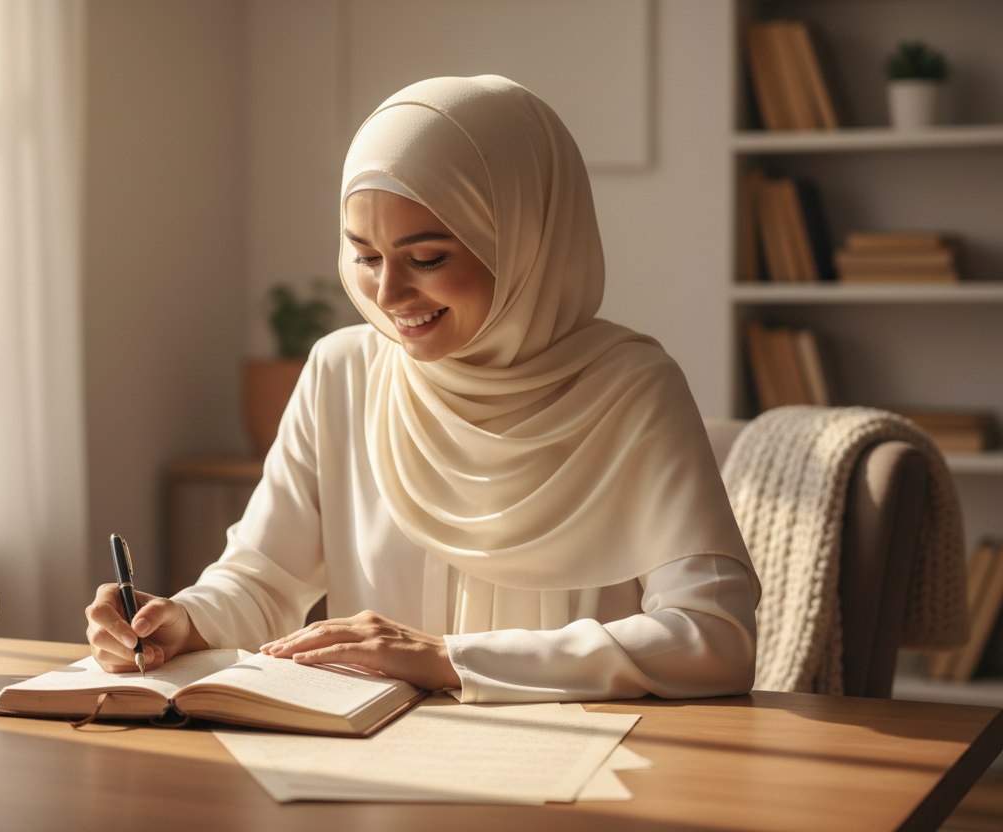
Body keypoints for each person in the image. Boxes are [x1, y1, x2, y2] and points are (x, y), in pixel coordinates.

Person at [86, 75, 760, 702]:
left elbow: (713, 639)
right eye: (366, 256)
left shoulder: (631, 390)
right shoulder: (341, 373)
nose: (386, 296)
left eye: (427, 258)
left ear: (524, 240)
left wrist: (450, 657)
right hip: (372, 774)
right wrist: (181, 618)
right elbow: (263, 579)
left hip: (581, 779)